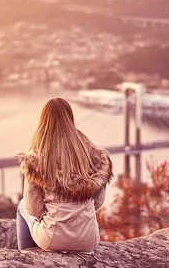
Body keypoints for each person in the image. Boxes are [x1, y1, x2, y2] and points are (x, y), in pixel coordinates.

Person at [17, 98, 113, 252]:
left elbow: (33, 208)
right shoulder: (91, 154)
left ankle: (27, 258)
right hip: (89, 239)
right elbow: (98, 202)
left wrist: (46, 216)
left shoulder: (36, 157)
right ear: (70, 118)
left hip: (52, 238)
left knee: (22, 206)